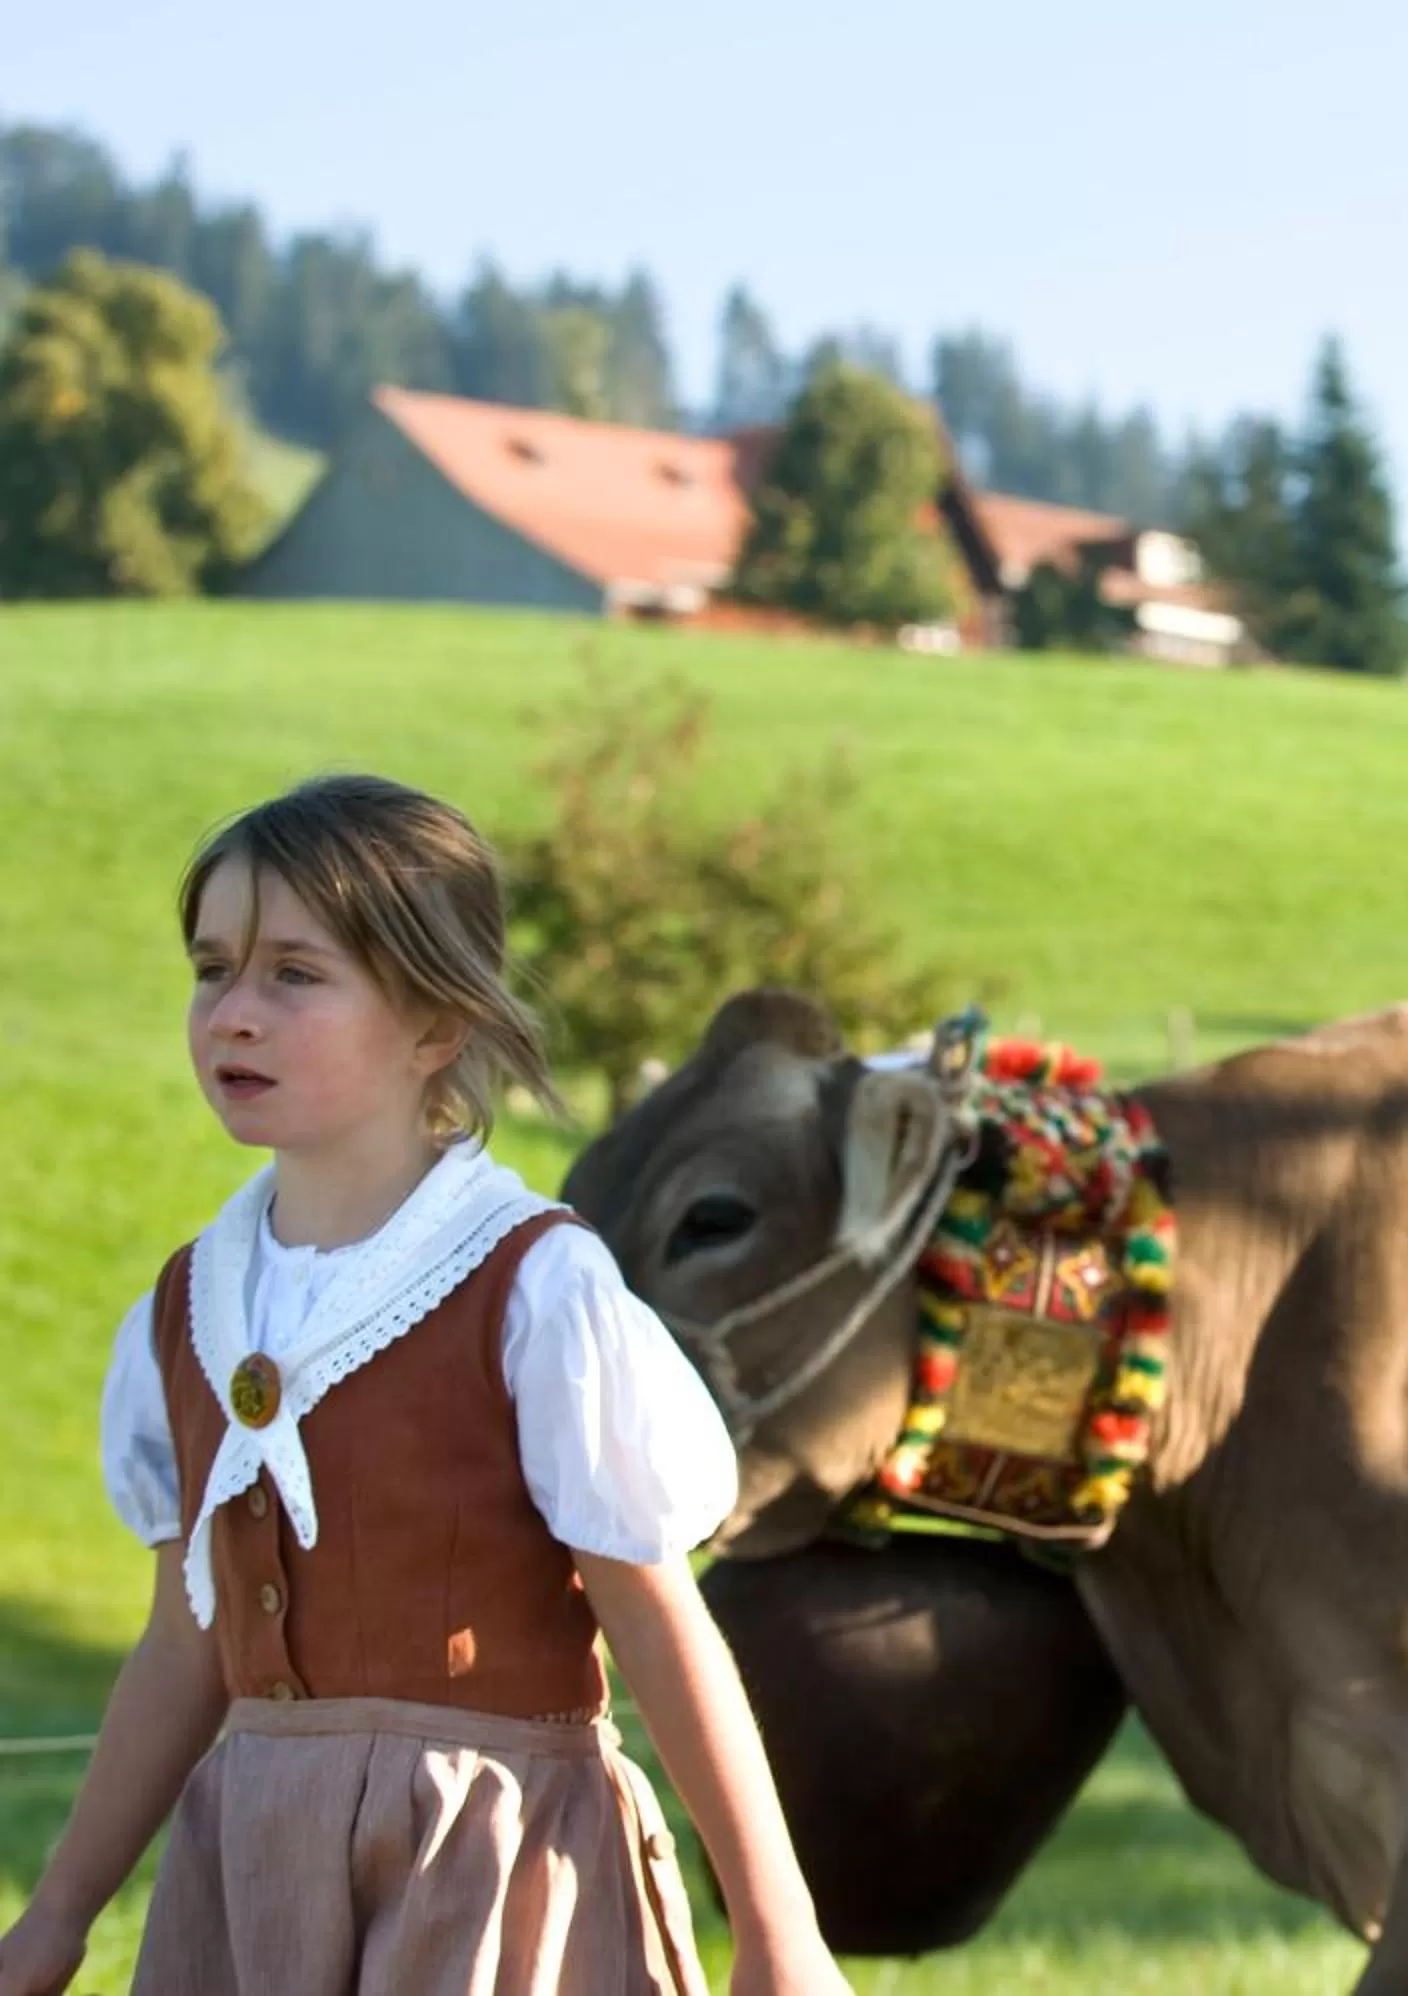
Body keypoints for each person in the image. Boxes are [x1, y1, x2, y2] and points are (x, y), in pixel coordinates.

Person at [0, 774, 847, 1996]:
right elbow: (188, 1639)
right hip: (254, 1873)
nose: (235, 1013)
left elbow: (656, 1619)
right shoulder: (188, 1308)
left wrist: (779, 1932)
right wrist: (56, 1917)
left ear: (437, 1023)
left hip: (483, 1867)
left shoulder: (535, 1290)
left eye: (295, 973)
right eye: (211, 969)